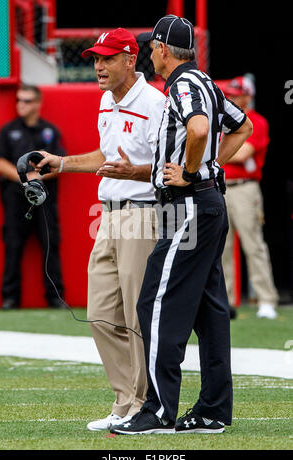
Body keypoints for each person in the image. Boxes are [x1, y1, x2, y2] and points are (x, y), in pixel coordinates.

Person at [109, 15, 253, 435]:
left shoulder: (184, 85)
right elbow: (241, 125)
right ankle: (212, 410)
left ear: (163, 50)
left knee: (154, 301)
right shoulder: (205, 82)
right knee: (210, 313)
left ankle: (157, 409)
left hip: (187, 205)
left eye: (151, 47)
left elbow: (200, 127)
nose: (149, 54)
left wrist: (193, 172)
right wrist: (209, 168)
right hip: (205, 203)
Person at [32, 28, 165, 431]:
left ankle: (142, 403)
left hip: (143, 213)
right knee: (100, 312)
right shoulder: (107, 100)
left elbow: (169, 165)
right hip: (108, 213)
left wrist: (135, 172)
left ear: (130, 59)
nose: (98, 66)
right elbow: (107, 156)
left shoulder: (157, 103)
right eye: (95, 58)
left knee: (135, 314)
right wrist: (63, 162)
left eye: (107, 58)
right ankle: (125, 397)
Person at [0, 84, 65, 310]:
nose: (20, 105)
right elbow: (0, 162)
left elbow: (59, 163)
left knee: (50, 247)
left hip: (44, 201)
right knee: (13, 246)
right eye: (18, 100)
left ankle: (55, 298)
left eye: (26, 101)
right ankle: (10, 298)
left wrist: (37, 178)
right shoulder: (8, 131)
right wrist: (24, 178)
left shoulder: (50, 131)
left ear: (37, 104)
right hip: (15, 200)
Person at [221, 76, 279, 319]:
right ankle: (225, 301)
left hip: (245, 188)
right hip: (221, 187)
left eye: (236, 94)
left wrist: (212, 151)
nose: (231, 98)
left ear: (248, 96)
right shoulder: (222, 121)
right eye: (230, 94)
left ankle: (266, 299)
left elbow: (243, 153)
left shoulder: (256, 121)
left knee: (253, 245)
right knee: (221, 248)